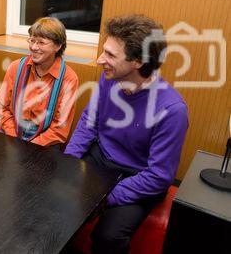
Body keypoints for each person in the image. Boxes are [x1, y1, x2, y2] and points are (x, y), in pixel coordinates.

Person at [65, 14, 188, 254]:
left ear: (138, 62)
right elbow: (89, 122)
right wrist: (67, 163)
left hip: (139, 175)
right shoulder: (109, 79)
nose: (100, 60)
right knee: (59, 205)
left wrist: (105, 198)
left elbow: (160, 176)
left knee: (108, 238)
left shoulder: (172, 110)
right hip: (101, 159)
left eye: (110, 55)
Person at [0, 17, 78, 146]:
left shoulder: (69, 78)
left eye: (41, 42)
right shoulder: (16, 67)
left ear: (58, 46)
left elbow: (59, 130)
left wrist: (31, 146)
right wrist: (13, 136)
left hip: (46, 141)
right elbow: (1, 107)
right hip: (11, 130)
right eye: (32, 40)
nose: (34, 47)